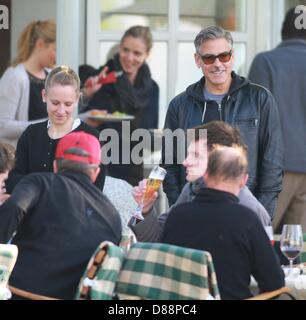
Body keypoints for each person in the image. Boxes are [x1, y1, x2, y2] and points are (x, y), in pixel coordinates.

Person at [162, 26, 283, 218]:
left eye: (224, 56)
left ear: (232, 56)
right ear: (197, 60)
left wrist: (261, 214)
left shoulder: (260, 99)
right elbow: (169, 164)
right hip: (194, 209)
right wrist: (180, 209)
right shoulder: (179, 105)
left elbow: (272, 163)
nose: (217, 64)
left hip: (245, 207)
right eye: (209, 58)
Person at [0, 131, 122, 299]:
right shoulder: (112, 215)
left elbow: (15, 206)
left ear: (56, 165)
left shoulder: (37, 182)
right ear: (95, 172)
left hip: (18, 292)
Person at [161, 145, 284, 300]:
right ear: (243, 180)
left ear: (205, 176)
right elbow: (274, 282)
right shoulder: (247, 219)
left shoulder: (176, 215)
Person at [130, 121, 271, 242]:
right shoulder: (191, 189)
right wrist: (145, 208)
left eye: (196, 155)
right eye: (188, 154)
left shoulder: (251, 209)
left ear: (222, 160)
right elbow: (156, 239)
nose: (185, 162)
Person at [248, 7, 306, 232]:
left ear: (283, 31)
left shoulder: (265, 62)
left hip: (274, 169)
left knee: (258, 238)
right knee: (297, 251)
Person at [5, 65, 105, 193]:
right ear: (44, 95)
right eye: (55, 103)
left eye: (68, 104)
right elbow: (13, 179)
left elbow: (96, 188)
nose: (61, 111)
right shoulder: (31, 134)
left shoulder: (91, 136)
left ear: (77, 99)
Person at [80, 25, 159, 186]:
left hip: (131, 167)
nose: (129, 57)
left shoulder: (152, 88)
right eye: (125, 50)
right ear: (120, 48)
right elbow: (82, 120)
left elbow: (149, 131)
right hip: (98, 163)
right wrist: (87, 94)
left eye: (137, 53)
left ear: (147, 55)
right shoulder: (101, 78)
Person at [0, 20, 56, 146]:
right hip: (21, 158)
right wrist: (46, 125)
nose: (58, 55)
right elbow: (2, 127)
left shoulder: (51, 74)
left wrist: (88, 93)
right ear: (40, 44)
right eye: (55, 49)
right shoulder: (14, 76)